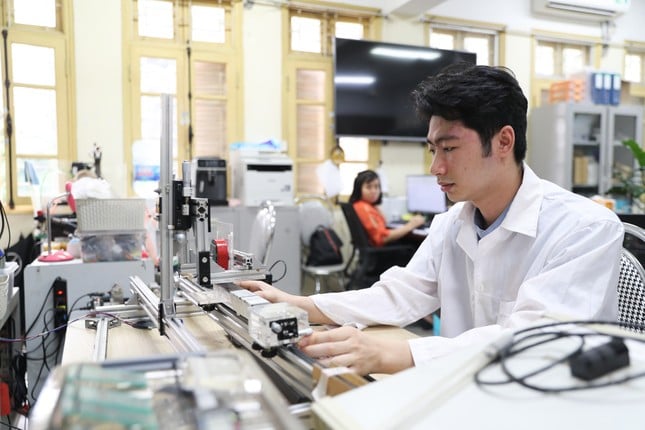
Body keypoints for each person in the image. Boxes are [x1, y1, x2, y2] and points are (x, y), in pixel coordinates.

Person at [239, 64, 624, 376]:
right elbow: (401, 294)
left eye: (450, 148)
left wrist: (399, 354)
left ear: (504, 142)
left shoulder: (585, 228)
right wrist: (300, 305)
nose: (436, 167)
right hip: (464, 391)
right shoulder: (453, 222)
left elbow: (534, 340)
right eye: (432, 149)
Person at [349, 169, 426, 247]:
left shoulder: (367, 206)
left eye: (376, 187)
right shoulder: (363, 208)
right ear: (359, 189)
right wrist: (411, 225)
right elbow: (382, 238)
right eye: (369, 187)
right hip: (382, 252)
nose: (374, 191)